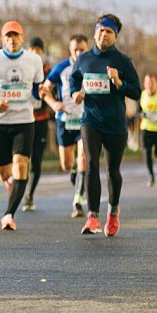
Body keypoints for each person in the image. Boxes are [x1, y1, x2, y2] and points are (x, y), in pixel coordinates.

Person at [70, 14, 141, 237]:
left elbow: (136, 92)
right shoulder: (83, 59)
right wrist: (75, 94)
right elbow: (74, 79)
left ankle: (113, 211)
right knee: (91, 163)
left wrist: (119, 82)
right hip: (90, 119)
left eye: (109, 32)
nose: (104, 34)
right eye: (101, 30)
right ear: (95, 32)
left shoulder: (123, 61)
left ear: (115, 36)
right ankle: (92, 216)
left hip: (115, 123)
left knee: (112, 170)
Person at [0, 20, 44, 230]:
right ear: (3, 39)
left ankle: (8, 215)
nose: (12, 40)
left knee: (21, 166)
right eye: (8, 36)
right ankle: (12, 185)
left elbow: (35, 89)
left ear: (22, 38)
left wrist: (40, 93)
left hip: (24, 121)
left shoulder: (34, 60)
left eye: (15, 36)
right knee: (4, 172)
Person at [43, 34, 89, 218]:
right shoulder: (61, 68)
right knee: (67, 163)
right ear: (70, 50)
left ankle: (77, 199)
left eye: (82, 49)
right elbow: (44, 90)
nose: (78, 52)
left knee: (83, 157)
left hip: (85, 119)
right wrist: (54, 104)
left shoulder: (91, 66)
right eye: (75, 49)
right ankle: (74, 172)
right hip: (65, 120)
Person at [22, 37, 51, 211]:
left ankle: (30, 195)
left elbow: (55, 88)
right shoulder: (21, 68)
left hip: (41, 120)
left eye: (38, 51)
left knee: (36, 160)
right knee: (21, 157)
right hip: (22, 119)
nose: (35, 54)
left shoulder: (48, 71)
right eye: (32, 50)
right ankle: (18, 185)